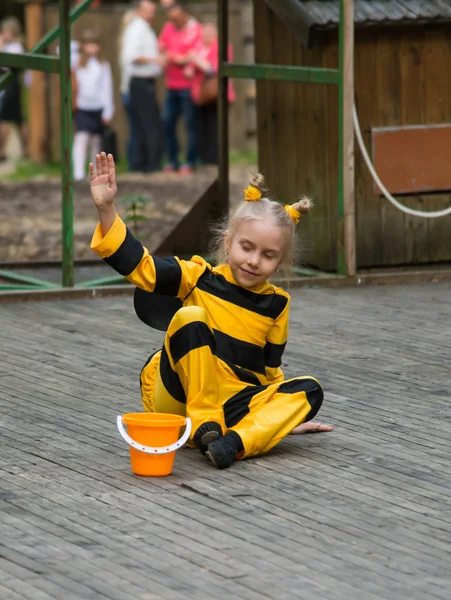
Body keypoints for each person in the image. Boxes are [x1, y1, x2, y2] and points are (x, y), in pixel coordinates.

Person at [89, 152, 333, 470]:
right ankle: (206, 423)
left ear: (281, 261)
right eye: (247, 247)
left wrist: (278, 418)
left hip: (232, 405)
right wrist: (106, 208)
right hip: (179, 398)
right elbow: (142, 268)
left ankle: (232, 444)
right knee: (191, 317)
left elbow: (269, 374)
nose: (254, 261)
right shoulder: (198, 277)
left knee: (310, 390)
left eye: (268, 255)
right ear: (228, 242)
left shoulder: (277, 305)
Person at [159, 2, 202, 174]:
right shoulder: (168, 27)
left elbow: (196, 55)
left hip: (188, 87)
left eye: (176, 19)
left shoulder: (195, 30)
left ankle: (190, 161)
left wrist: (176, 58)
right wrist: (167, 56)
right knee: (168, 123)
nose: (173, 22)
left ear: (184, 14)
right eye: (171, 19)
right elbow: (161, 47)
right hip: (171, 85)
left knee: (190, 125)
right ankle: (172, 159)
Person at [121, 0, 163, 173]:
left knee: (141, 124)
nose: (152, 15)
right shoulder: (137, 29)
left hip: (143, 82)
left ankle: (142, 163)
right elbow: (132, 55)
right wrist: (155, 59)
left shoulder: (143, 28)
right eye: (148, 11)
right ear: (139, 11)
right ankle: (150, 165)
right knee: (148, 123)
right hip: (140, 82)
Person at [188, 20, 235, 165]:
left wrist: (196, 60)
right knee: (202, 128)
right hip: (201, 95)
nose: (206, 35)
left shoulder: (222, 47)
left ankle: (216, 160)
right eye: (204, 32)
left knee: (215, 128)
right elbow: (190, 70)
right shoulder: (199, 47)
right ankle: (205, 159)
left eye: (209, 32)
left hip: (217, 94)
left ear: (216, 33)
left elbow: (213, 69)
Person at [72, 30, 114, 182]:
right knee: (81, 138)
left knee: (96, 141)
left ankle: (95, 172)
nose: (91, 48)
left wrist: (108, 110)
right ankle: (77, 171)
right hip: (83, 106)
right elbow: (63, 49)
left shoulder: (103, 65)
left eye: (94, 45)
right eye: (88, 45)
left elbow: (106, 88)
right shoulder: (77, 62)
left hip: (98, 107)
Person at [0, 17, 28, 161]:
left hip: (11, 84)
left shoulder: (16, 47)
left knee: (4, 118)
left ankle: (1, 150)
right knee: (18, 119)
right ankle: (26, 148)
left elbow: (5, 65)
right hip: (9, 84)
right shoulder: (11, 46)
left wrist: (1, 43)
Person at [118, 8, 138, 170]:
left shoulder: (124, 41)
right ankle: (133, 162)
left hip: (127, 90)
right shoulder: (129, 42)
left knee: (135, 127)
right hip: (131, 90)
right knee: (135, 128)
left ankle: (133, 162)